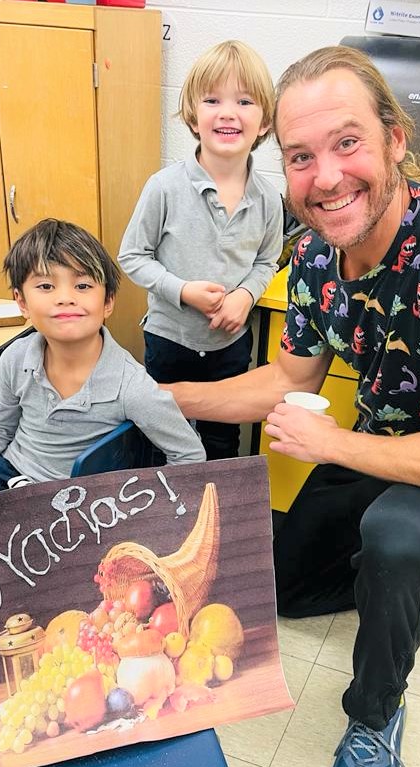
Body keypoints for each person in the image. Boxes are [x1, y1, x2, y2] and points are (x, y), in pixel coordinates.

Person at [168, 46, 420, 767]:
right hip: (383, 444)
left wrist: (334, 446)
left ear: (393, 141)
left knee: (395, 537)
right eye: (301, 157)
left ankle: (374, 718)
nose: (326, 177)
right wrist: (158, 396)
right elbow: (288, 380)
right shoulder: (312, 256)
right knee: (289, 587)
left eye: (346, 144)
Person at [0, 218, 205, 757]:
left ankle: (6, 704)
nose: (65, 299)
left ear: (109, 301)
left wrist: (144, 521)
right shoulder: (15, 359)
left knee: (16, 600)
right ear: (22, 303)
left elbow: (188, 458)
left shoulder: (133, 387)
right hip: (8, 480)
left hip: (72, 513)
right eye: (46, 286)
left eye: (82, 284)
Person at [118, 40, 283, 460]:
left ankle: (219, 514)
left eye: (244, 101)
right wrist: (182, 290)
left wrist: (245, 296)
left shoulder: (268, 199)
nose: (228, 112)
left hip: (229, 345)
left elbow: (266, 261)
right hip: (168, 338)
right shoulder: (164, 187)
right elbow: (132, 256)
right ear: (193, 115)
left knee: (222, 441)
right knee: (160, 432)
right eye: (213, 100)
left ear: (264, 122)